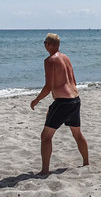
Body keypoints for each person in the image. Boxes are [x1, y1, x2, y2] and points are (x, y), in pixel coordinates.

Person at [30, 33, 89, 175]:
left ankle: (44, 171)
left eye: (45, 42)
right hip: (75, 100)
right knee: (77, 134)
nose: (44, 45)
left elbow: (48, 86)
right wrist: (53, 106)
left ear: (51, 45)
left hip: (63, 102)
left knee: (46, 137)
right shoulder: (66, 58)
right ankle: (86, 162)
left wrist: (36, 100)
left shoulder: (50, 60)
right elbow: (73, 81)